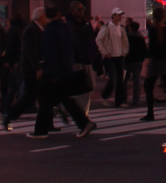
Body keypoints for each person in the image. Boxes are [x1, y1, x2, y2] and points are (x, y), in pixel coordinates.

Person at [34, 8, 95, 139]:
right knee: (57, 99)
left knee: (51, 99)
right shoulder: (66, 27)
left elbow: (52, 52)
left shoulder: (51, 30)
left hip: (54, 71)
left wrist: (51, 71)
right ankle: (41, 129)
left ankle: (41, 130)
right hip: (65, 68)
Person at [142, 9, 166, 121]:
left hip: (155, 61)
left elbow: (152, 48)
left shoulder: (153, 30)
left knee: (149, 87)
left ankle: (150, 113)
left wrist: (148, 58)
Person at [97, 8, 129, 107]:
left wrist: (124, 52)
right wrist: (105, 52)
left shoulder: (121, 28)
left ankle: (119, 101)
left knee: (120, 79)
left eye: (121, 15)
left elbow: (124, 42)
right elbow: (98, 40)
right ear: (114, 16)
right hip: (110, 57)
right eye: (118, 15)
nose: (120, 17)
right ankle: (104, 96)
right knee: (114, 78)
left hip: (119, 56)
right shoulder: (106, 27)